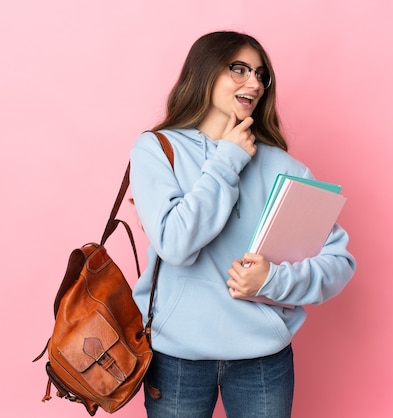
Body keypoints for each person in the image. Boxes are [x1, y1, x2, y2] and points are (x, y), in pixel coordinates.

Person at [129, 31, 356, 418]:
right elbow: (175, 243)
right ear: (203, 72)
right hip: (176, 356)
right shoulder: (157, 149)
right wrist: (227, 160)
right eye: (239, 69)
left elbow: (338, 263)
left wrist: (271, 281)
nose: (253, 83)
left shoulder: (284, 168)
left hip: (262, 359)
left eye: (260, 74)